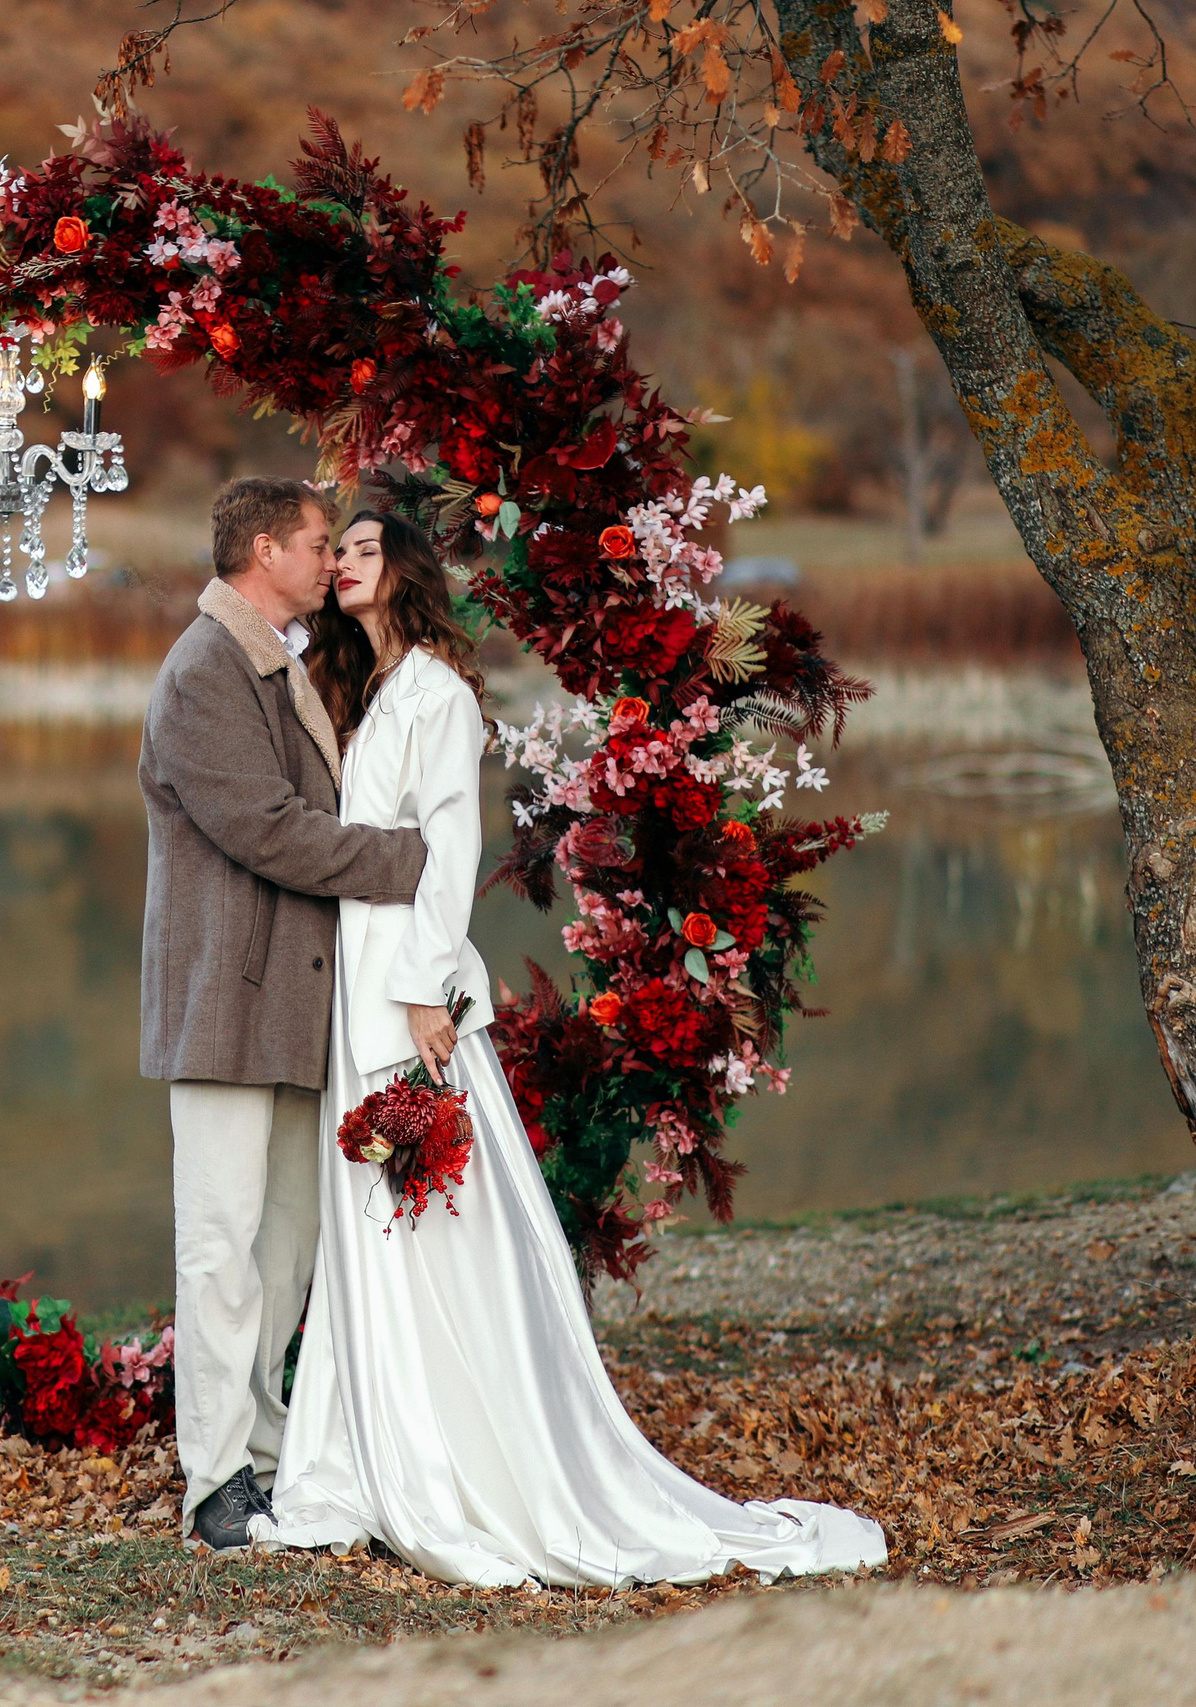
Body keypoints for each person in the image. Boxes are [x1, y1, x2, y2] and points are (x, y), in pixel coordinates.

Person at [256, 509, 888, 1587]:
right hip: (347, 982)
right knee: (369, 1229)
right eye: (336, 550)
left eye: (360, 549)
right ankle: (366, 1451)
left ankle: (464, 1461)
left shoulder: (439, 698)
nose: (341, 564)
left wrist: (421, 993)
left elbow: (451, 845)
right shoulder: (359, 693)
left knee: (429, 1219)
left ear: (401, 571)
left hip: (400, 988)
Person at [137, 477, 430, 1552]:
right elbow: (266, 829)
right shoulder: (205, 668)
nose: (328, 560)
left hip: (292, 1004)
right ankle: (214, 1484)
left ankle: (261, 1459)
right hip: (223, 1002)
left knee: (285, 1249)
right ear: (264, 549)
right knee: (220, 1246)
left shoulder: (284, 660)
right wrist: (407, 862)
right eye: (314, 544)